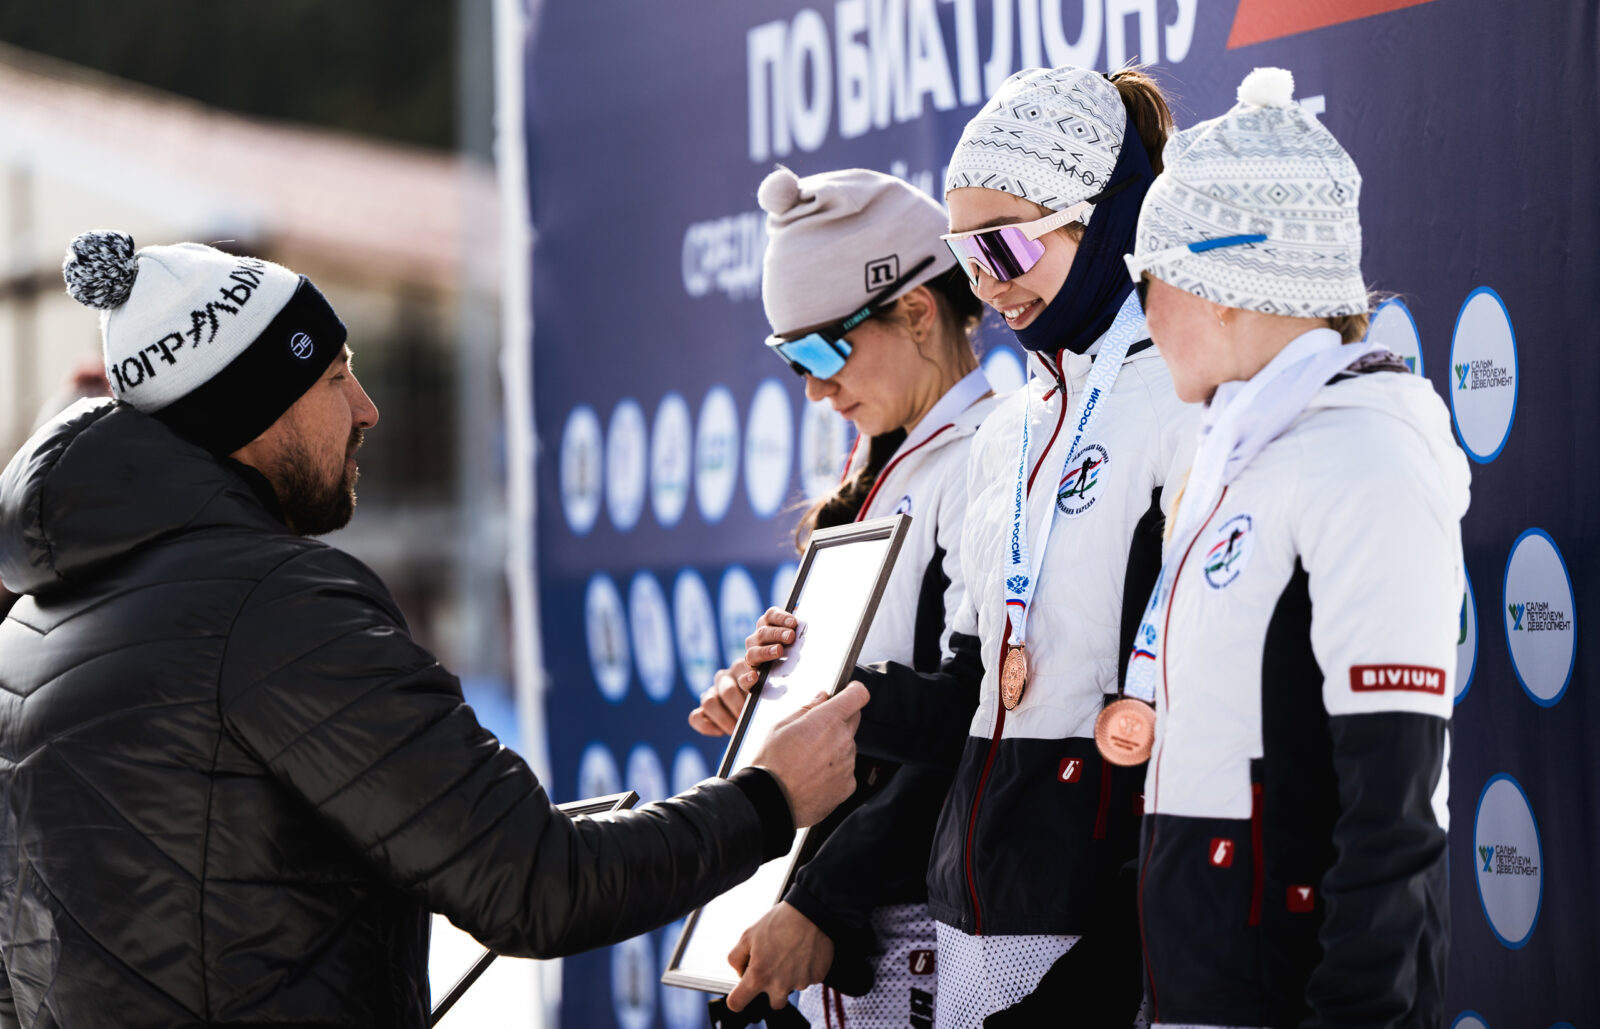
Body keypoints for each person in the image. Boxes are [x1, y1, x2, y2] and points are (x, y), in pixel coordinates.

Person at [0, 232, 869, 1029]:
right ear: (253, 410)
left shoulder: (31, 628)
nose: (367, 408)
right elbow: (536, 885)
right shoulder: (275, 608)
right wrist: (769, 796)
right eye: (335, 377)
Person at [721, 65, 1198, 1026]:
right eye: (966, 254)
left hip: (1087, 935)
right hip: (974, 919)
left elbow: (1185, 733)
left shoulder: (1180, 403)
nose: (988, 282)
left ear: (1105, 218)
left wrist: (1102, 978)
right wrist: (818, 696)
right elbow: (971, 694)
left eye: (1005, 245)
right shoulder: (1013, 430)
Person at [1122, 67, 1466, 1027]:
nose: (1144, 315)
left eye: (1148, 279)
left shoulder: (1365, 455)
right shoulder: (1242, 453)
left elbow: (1395, 811)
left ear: (1223, 280)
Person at [689, 165, 995, 1027]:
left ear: (918, 311)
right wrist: (768, 700)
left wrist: (825, 902)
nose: (814, 389)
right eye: (792, 361)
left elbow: (976, 725)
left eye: (823, 352)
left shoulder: (991, 456)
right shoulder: (872, 478)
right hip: (844, 910)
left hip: (919, 918)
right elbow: (862, 715)